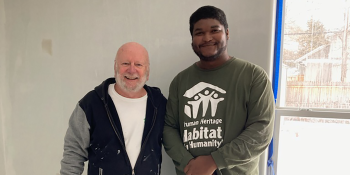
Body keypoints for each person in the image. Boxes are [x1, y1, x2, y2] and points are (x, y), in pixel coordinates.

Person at [163, 5, 275, 175]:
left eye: (214, 30)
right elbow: (169, 127)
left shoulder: (253, 75)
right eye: (199, 33)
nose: (207, 38)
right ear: (192, 39)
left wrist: (215, 160)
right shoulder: (180, 81)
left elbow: (261, 130)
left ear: (227, 33)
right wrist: (188, 163)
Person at [60, 42, 167, 175]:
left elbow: (174, 140)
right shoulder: (91, 104)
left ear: (147, 71)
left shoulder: (159, 105)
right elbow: (73, 152)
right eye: (125, 63)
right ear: (115, 67)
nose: (132, 70)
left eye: (138, 64)